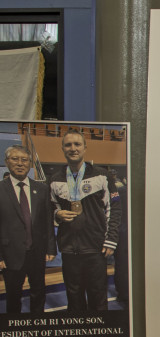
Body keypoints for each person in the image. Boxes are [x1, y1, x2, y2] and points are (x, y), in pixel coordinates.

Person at [49, 129, 121, 312]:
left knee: (98, 298)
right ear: (63, 149)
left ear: (85, 148)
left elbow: (114, 209)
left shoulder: (102, 175)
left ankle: (100, 329)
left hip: (96, 248)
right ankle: (78, 329)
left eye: (77, 144)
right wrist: (57, 214)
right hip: (69, 249)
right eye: (68, 145)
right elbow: (50, 208)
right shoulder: (55, 179)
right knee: (74, 298)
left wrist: (111, 240)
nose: (73, 148)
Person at [1, 145, 55, 315]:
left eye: (24, 160)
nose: (20, 163)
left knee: (38, 292)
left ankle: (37, 323)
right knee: (13, 296)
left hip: (37, 252)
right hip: (10, 254)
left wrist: (50, 248)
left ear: (30, 164)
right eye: (15, 159)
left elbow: (47, 221)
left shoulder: (42, 189)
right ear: (6, 162)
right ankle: (14, 326)